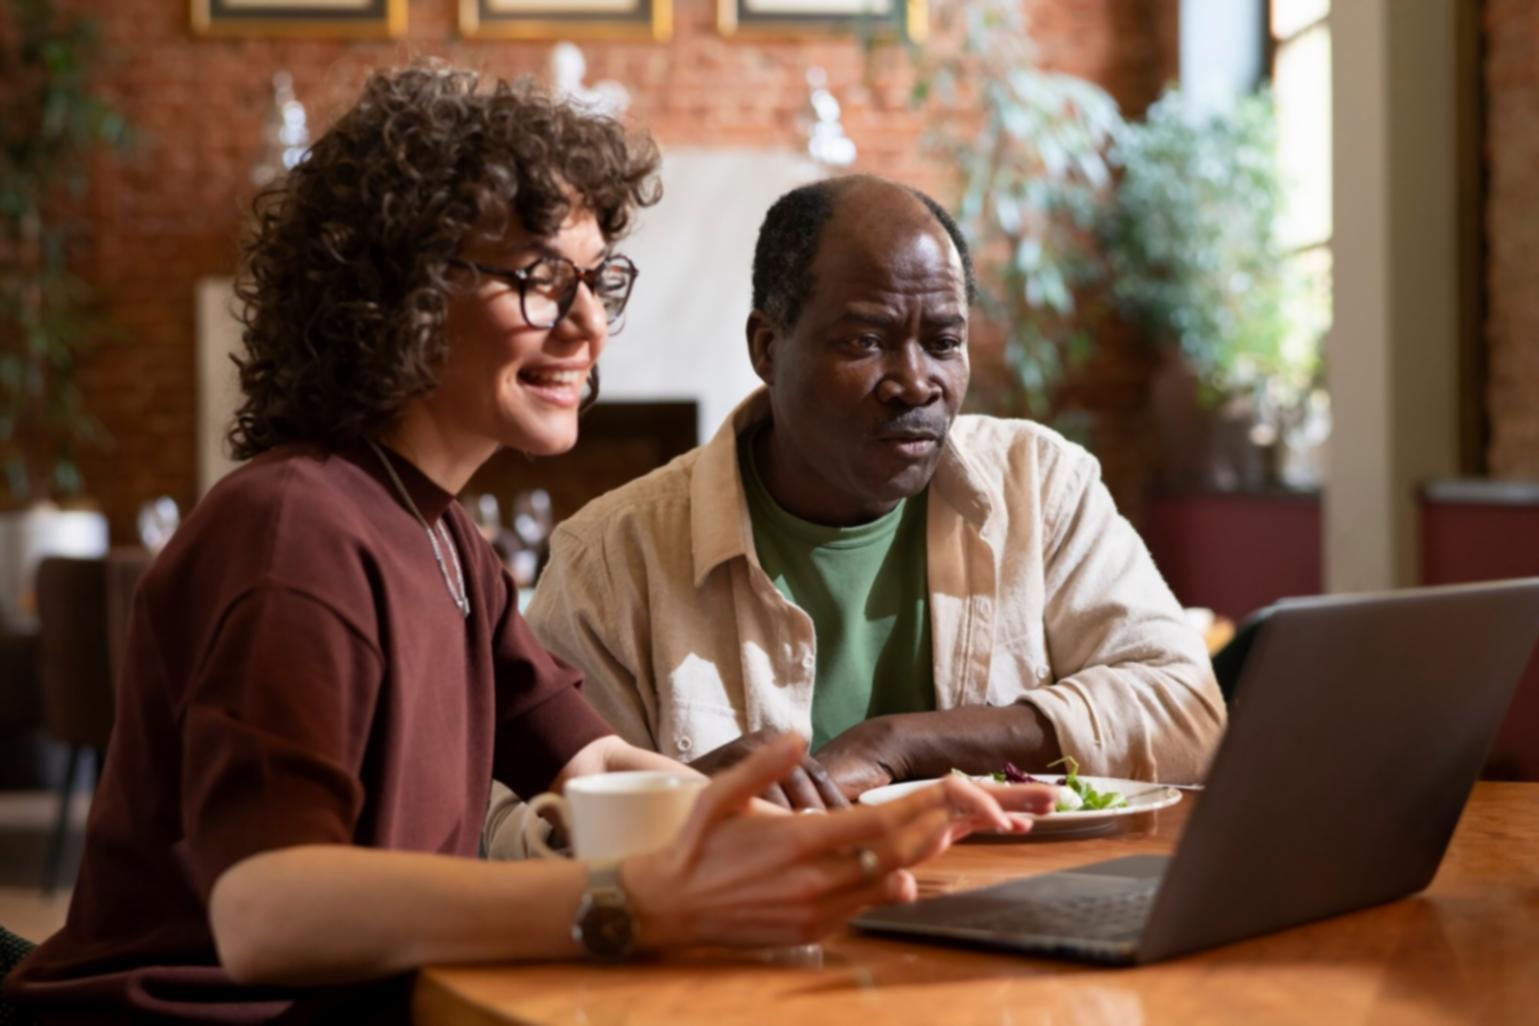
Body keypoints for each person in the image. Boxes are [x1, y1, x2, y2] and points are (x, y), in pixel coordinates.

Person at [1, 71, 1051, 1025]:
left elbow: (596, 760)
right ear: (401, 292)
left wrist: (825, 841)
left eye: (600, 281)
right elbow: (268, 912)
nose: (588, 326)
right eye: (543, 280)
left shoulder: (443, 535)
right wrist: (621, 899)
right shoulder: (296, 534)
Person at [510, 174, 1225, 817]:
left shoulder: (1039, 486)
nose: (916, 383)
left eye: (943, 342)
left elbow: (1185, 713)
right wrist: (679, 806)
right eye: (864, 342)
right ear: (766, 348)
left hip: (1017, 923)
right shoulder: (614, 557)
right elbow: (518, 823)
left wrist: (901, 744)